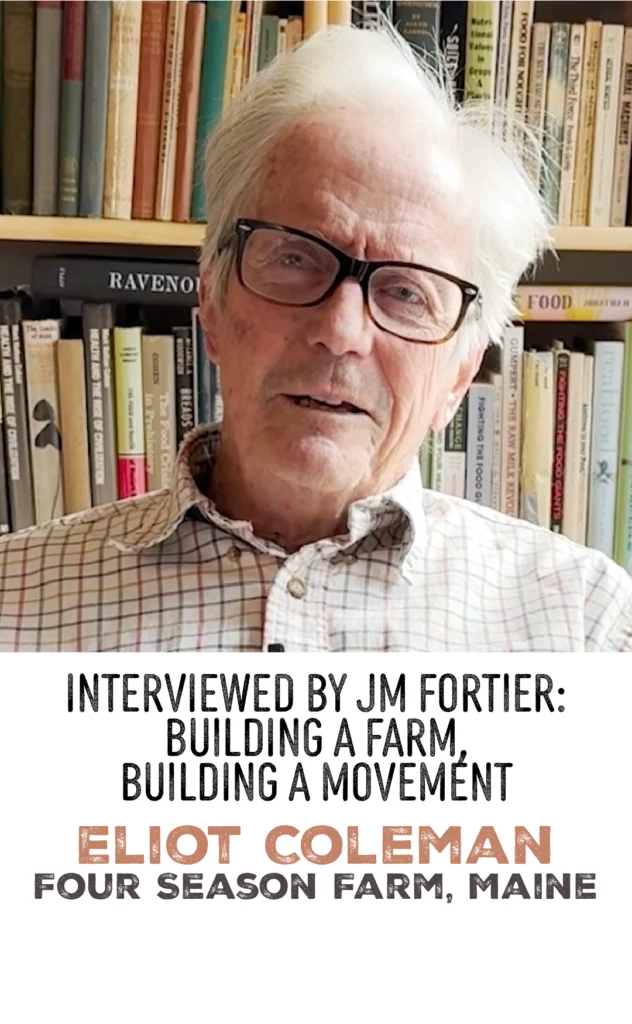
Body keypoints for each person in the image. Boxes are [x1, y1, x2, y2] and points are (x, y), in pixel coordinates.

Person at [0, 24, 630, 652]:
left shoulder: (586, 627)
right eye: (297, 259)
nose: (340, 332)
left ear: (460, 375)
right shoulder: (14, 600)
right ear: (211, 301)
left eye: (407, 293)